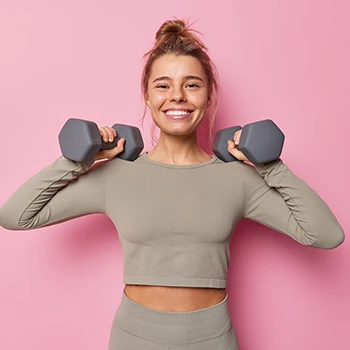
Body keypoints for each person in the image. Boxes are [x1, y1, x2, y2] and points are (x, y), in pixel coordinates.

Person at [0, 18, 345, 350]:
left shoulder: (237, 179)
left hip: (213, 338)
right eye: (163, 85)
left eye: (192, 84)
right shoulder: (118, 176)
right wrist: (78, 162)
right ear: (147, 97)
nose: (177, 96)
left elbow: (325, 234)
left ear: (209, 96)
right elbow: (17, 215)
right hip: (135, 337)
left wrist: (270, 166)